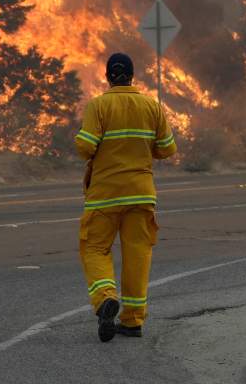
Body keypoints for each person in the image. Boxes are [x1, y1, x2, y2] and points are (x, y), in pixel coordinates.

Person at [74, 52, 177, 342]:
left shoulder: (99, 106)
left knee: (94, 249)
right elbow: (167, 149)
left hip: (105, 196)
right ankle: (132, 321)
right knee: (137, 255)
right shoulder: (151, 106)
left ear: (107, 76)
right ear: (133, 75)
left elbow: (85, 147)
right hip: (142, 195)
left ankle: (106, 298)